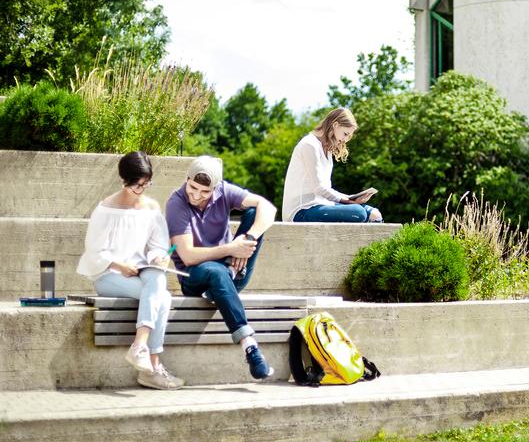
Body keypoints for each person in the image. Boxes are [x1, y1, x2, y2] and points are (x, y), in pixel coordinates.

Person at [77, 151, 183, 390]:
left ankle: (140, 347)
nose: (142, 190)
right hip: (108, 276)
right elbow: (94, 251)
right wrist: (118, 265)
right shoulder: (105, 209)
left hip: (141, 274)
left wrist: (158, 258)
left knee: (158, 279)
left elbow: (158, 246)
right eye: (137, 185)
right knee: (162, 297)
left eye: (146, 184)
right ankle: (152, 368)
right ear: (124, 180)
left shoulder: (152, 209)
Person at [165, 155, 278, 380]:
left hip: (233, 269)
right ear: (186, 179)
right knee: (215, 271)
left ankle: (228, 274)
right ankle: (250, 345)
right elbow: (187, 256)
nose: (196, 195)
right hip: (194, 276)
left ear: (215, 189)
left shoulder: (224, 191)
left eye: (204, 192)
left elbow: (269, 208)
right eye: (192, 187)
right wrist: (230, 249)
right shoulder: (176, 202)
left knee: (255, 213)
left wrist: (247, 238)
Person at [282, 107, 383, 223]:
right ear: (335, 125)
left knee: (374, 213)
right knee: (358, 212)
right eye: (345, 134)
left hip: (321, 205)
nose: (345, 140)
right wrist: (349, 201)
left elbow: (326, 189)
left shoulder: (327, 150)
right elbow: (319, 187)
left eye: (348, 136)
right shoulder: (309, 145)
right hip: (301, 211)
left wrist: (351, 197)